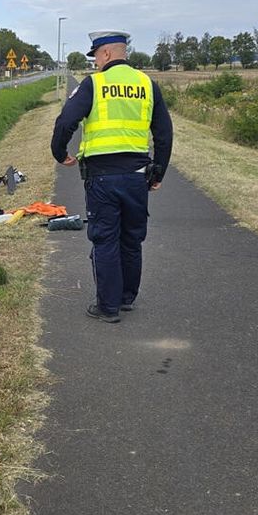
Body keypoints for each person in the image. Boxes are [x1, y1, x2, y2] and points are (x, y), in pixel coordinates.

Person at [51, 30, 173, 323]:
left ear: (106, 53)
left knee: (105, 239)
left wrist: (60, 152)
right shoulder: (147, 84)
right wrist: (158, 171)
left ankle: (108, 307)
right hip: (136, 177)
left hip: (102, 178)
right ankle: (126, 298)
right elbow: (164, 133)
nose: (95, 62)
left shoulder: (95, 84)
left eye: (95, 56)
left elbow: (66, 120)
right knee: (131, 239)